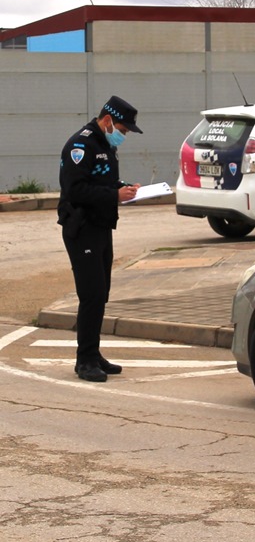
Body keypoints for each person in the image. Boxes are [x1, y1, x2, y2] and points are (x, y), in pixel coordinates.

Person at [57, 96, 143, 382]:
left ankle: (94, 354)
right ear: (108, 121)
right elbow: (76, 190)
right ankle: (85, 361)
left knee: (101, 292)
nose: (124, 134)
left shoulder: (104, 143)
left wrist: (123, 189)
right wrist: (113, 196)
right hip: (82, 228)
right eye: (123, 128)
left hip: (100, 226)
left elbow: (102, 181)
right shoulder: (81, 145)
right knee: (91, 293)